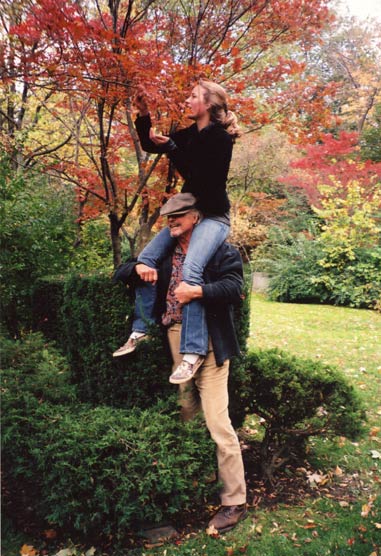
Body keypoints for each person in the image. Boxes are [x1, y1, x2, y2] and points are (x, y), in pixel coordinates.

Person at [113, 192, 247, 533]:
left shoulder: (220, 251)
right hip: (176, 337)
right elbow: (122, 272)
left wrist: (198, 292)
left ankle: (233, 501)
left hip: (213, 347)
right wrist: (138, 267)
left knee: (218, 422)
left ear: (195, 218)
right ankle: (197, 480)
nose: (171, 222)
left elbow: (234, 288)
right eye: (168, 217)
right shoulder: (164, 251)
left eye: (179, 216)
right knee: (187, 414)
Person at [113, 79, 240, 384]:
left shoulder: (220, 139)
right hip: (190, 214)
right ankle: (140, 329)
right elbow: (149, 144)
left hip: (212, 216)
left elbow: (201, 179)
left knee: (191, 272)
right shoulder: (189, 135)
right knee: (146, 259)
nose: (186, 100)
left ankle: (192, 354)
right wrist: (144, 117)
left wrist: (172, 148)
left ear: (208, 104)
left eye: (192, 96)